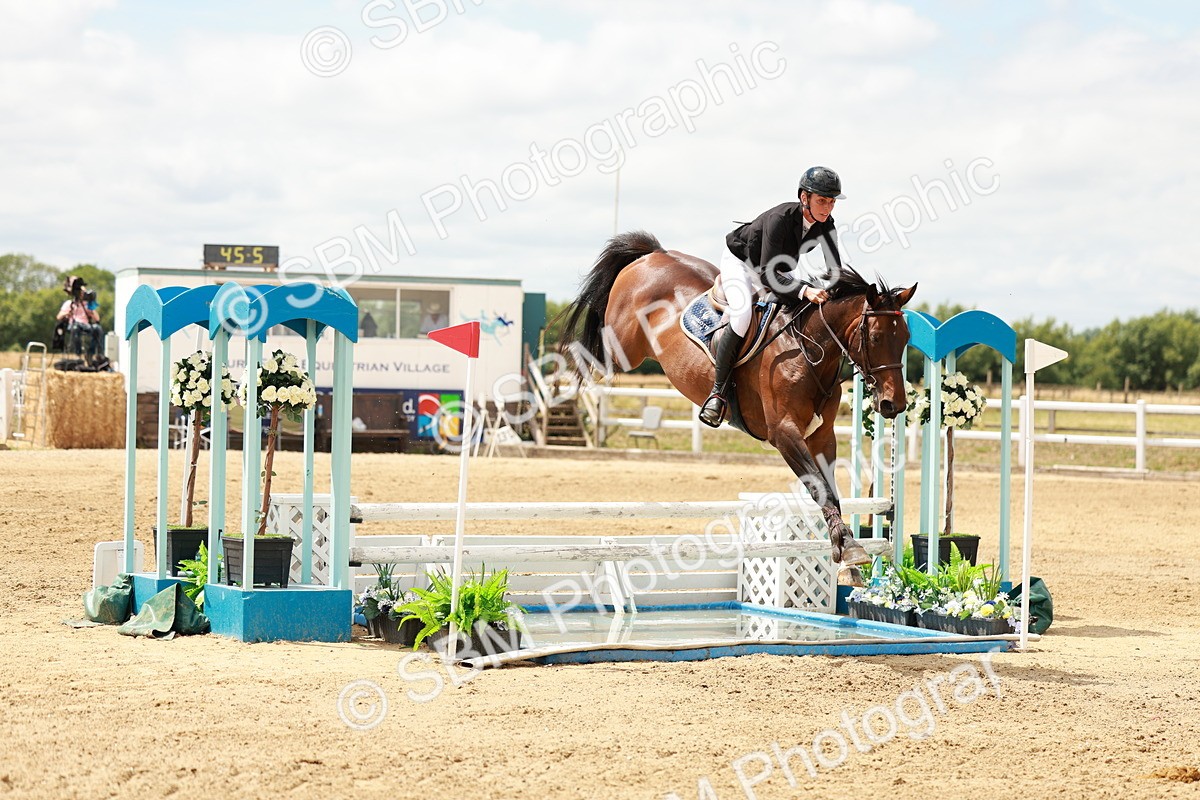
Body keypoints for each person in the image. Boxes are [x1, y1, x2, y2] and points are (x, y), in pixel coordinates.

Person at [698, 165, 846, 427]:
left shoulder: (826, 224)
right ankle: (717, 392)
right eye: (822, 200)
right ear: (804, 198)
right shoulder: (781, 218)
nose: (827, 207)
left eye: (831, 201)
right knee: (743, 315)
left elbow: (834, 269)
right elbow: (768, 274)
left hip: (774, 270)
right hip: (742, 265)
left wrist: (844, 293)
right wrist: (804, 289)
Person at [56, 277, 103, 362]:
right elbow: (59, 316)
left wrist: (91, 309)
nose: (82, 294)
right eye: (81, 292)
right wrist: (68, 313)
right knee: (75, 327)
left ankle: (90, 354)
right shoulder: (69, 303)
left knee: (98, 328)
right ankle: (78, 354)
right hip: (73, 325)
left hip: (86, 325)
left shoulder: (87, 305)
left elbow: (97, 319)